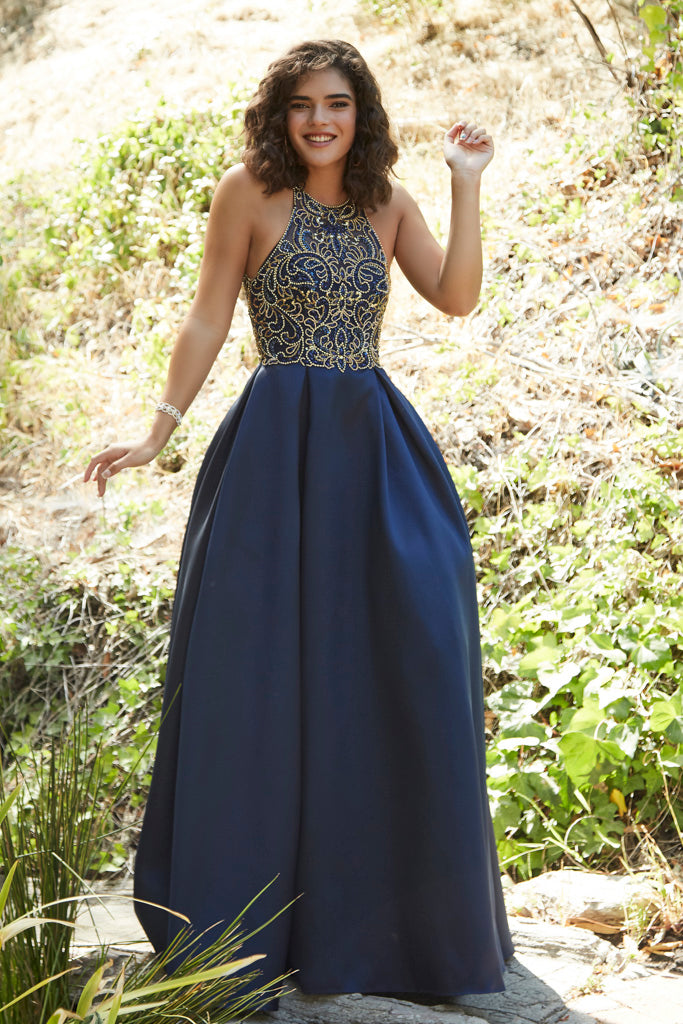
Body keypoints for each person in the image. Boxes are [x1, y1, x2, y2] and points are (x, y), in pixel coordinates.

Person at [85, 38, 513, 1008]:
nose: (320, 120)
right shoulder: (246, 194)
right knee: (255, 678)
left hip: (374, 453)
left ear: (362, 114)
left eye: (338, 103)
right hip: (273, 457)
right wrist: (156, 432)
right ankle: (241, 934)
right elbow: (206, 318)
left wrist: (465, 182)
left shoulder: (387, 203)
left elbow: (455, 297)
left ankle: (405, 937)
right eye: (303, 104)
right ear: (280, 115)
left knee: (402, 663)